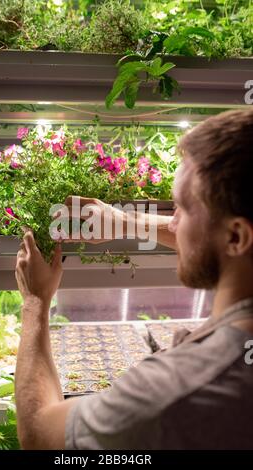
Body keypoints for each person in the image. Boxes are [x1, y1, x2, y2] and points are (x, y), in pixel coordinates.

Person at [15, 109, 253, 450]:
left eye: (182, 209)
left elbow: (39, 437)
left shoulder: (178, 390)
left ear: (237, 237)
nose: (171, 224)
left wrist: (35, 301)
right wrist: (124, 221)